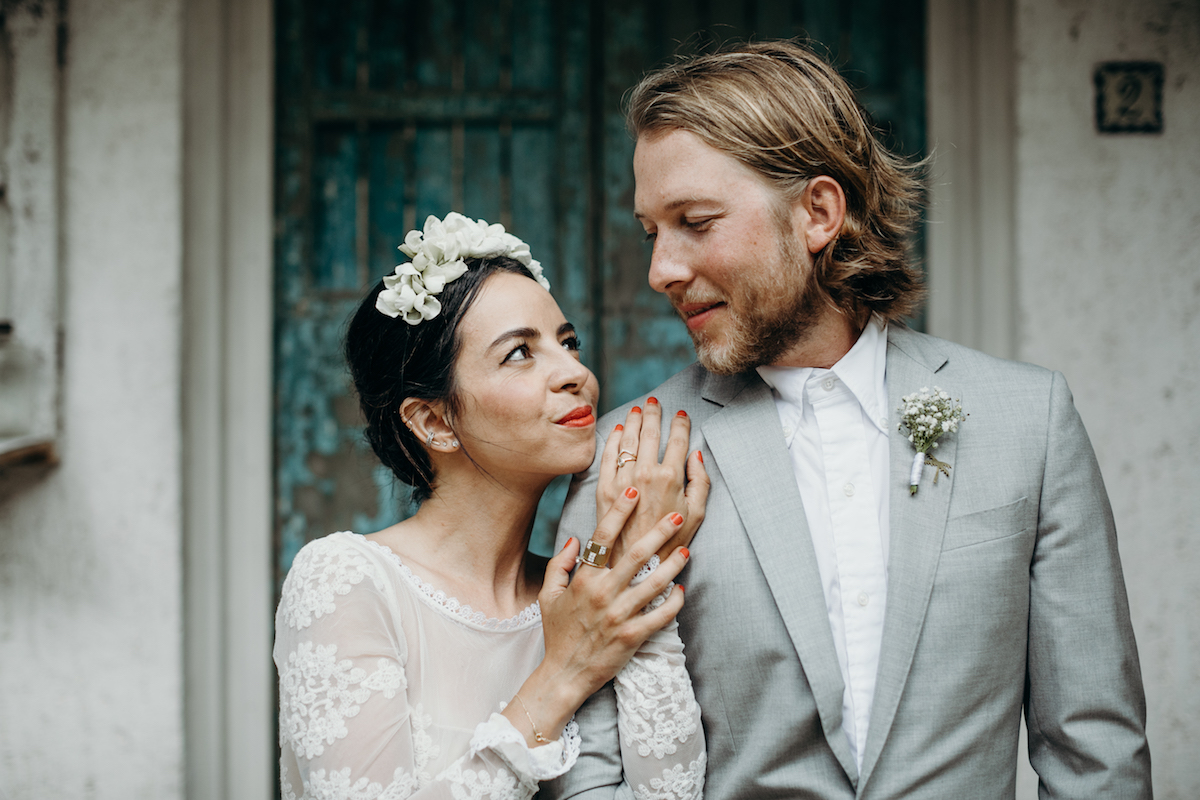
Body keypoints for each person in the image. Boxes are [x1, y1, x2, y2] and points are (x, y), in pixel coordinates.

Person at [548, 40, 1152, 800]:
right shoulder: (627, 455)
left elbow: (1096, 750)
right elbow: (587, 763)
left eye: (694, 221)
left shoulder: (1029, 420)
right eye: (651, 232)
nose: (661, 269)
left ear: (819, 213)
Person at [273, 213, 710, 800]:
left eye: (567, 342)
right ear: (435, 421)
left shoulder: (583, 595)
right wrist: (565, 671)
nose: (575, 374)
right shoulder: (348, 582)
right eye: (519, 355)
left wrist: (636, 566)